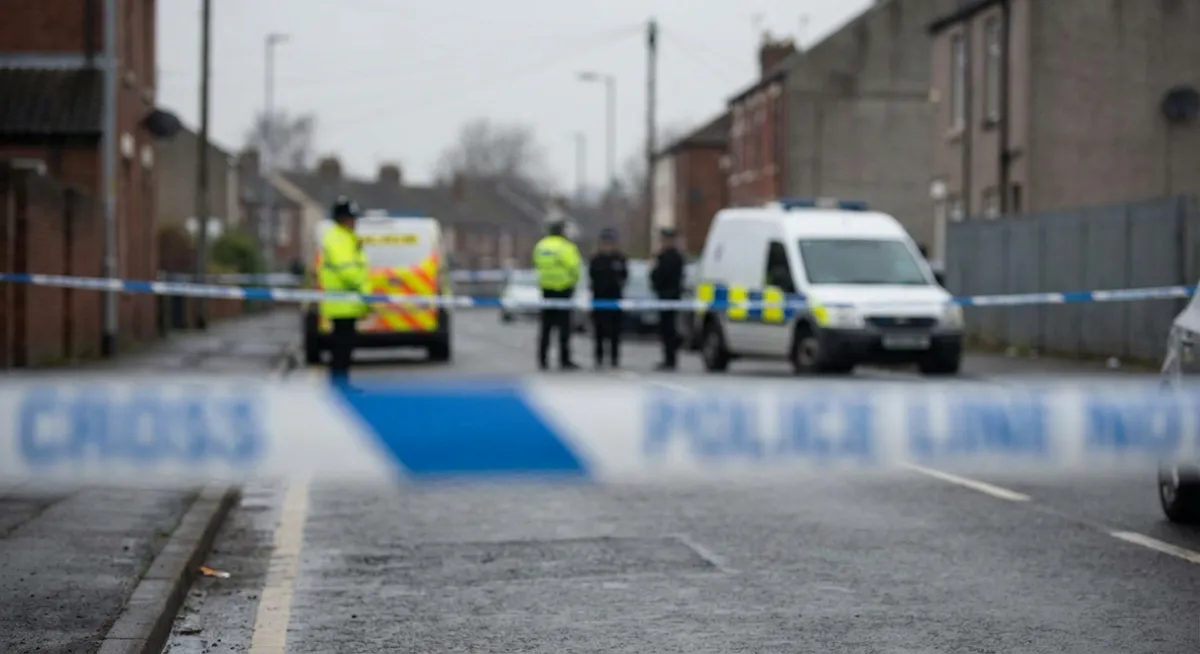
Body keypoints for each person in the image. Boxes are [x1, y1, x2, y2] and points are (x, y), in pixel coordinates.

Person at [318, 196, 371, 384]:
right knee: (341, 350)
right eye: (352, 218)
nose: (355, 222)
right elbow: (347, 270)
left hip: (347, 304)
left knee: (345, 350)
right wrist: (363, 291)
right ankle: (339, 388)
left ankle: (342, 385)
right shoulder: (337, 238)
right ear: (343, 219)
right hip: (342, 304)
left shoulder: (347, 237)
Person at [532, 220, 582, 371]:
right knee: (564, 328)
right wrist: (573, 282)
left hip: (546, 290)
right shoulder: (566, 247)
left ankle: (542, 359)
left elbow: (537, 264)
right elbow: (574, 267)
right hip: (563, 290)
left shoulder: (541, 246)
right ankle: (564, 360)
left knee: (545, 328)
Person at [588, 227, 628, 369]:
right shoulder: (596, 259)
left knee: (615, 331)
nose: (608, 245)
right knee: (599, 331)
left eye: (610, 242)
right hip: (599, 299)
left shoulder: (620, 258)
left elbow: (624, 277)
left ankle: (614, 358)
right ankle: (599, 358)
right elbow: (592, 277)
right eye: (605, 242)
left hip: (615, 299)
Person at [650, 227, 685, 371]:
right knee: (666, 329)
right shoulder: (674, 256)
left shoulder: (668, 257)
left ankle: (670, 359)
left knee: (668, 329)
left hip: (668, 296)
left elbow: (659, 275)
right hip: (668, 295)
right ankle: (668, 358)